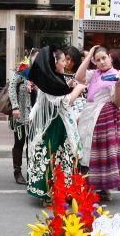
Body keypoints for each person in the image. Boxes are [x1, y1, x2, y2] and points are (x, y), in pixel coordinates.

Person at [26, 46, 86, 202]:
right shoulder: (51, 80)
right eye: (62, 60)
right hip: (56, 125)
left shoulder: (52, 78)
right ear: (55, 62)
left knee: (59, 156)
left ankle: (60, 191)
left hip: (55, 122)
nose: (65, 62)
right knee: (54, 156)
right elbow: (64, 102)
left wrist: (70, 86)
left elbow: (41, 101)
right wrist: (78, 89)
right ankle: (53, 192)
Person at [75, 45, 120, 200]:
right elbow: (79, 77)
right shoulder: (94, 74)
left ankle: (104, 189)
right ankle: (95, 187)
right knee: (89, 153)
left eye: (103, 58)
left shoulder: (116, 75)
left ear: (110, 57)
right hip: (90, 116)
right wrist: (89, 56)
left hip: (106, 119)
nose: (101, 62)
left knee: (103, 154)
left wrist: (119, 85)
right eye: (98, 59)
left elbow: (119, 103)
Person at [8, 51, 37, 185]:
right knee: (19, 142)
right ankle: (17, 171)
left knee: (32, 143)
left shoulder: (43, 73)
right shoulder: (23, 69)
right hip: (20, 113)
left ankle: (32, 171)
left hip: (35, 114)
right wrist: (15, 107)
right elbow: (12, 87)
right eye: (35, 58)